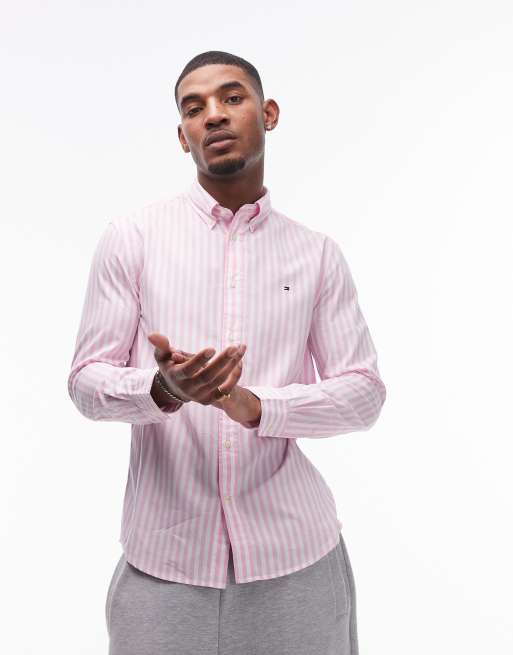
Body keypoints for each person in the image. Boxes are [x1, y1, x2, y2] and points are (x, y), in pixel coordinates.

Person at [67, 50, 386, 655]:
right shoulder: (131, 239)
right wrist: (162, 390)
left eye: (232, 98)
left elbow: (363, 393)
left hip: (297, 566)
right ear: (182, 136)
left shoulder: (317, 255)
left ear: (269, 114)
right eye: (194, 108)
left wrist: (256, 406)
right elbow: (85, 382)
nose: (213, 115)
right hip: (165, 570)